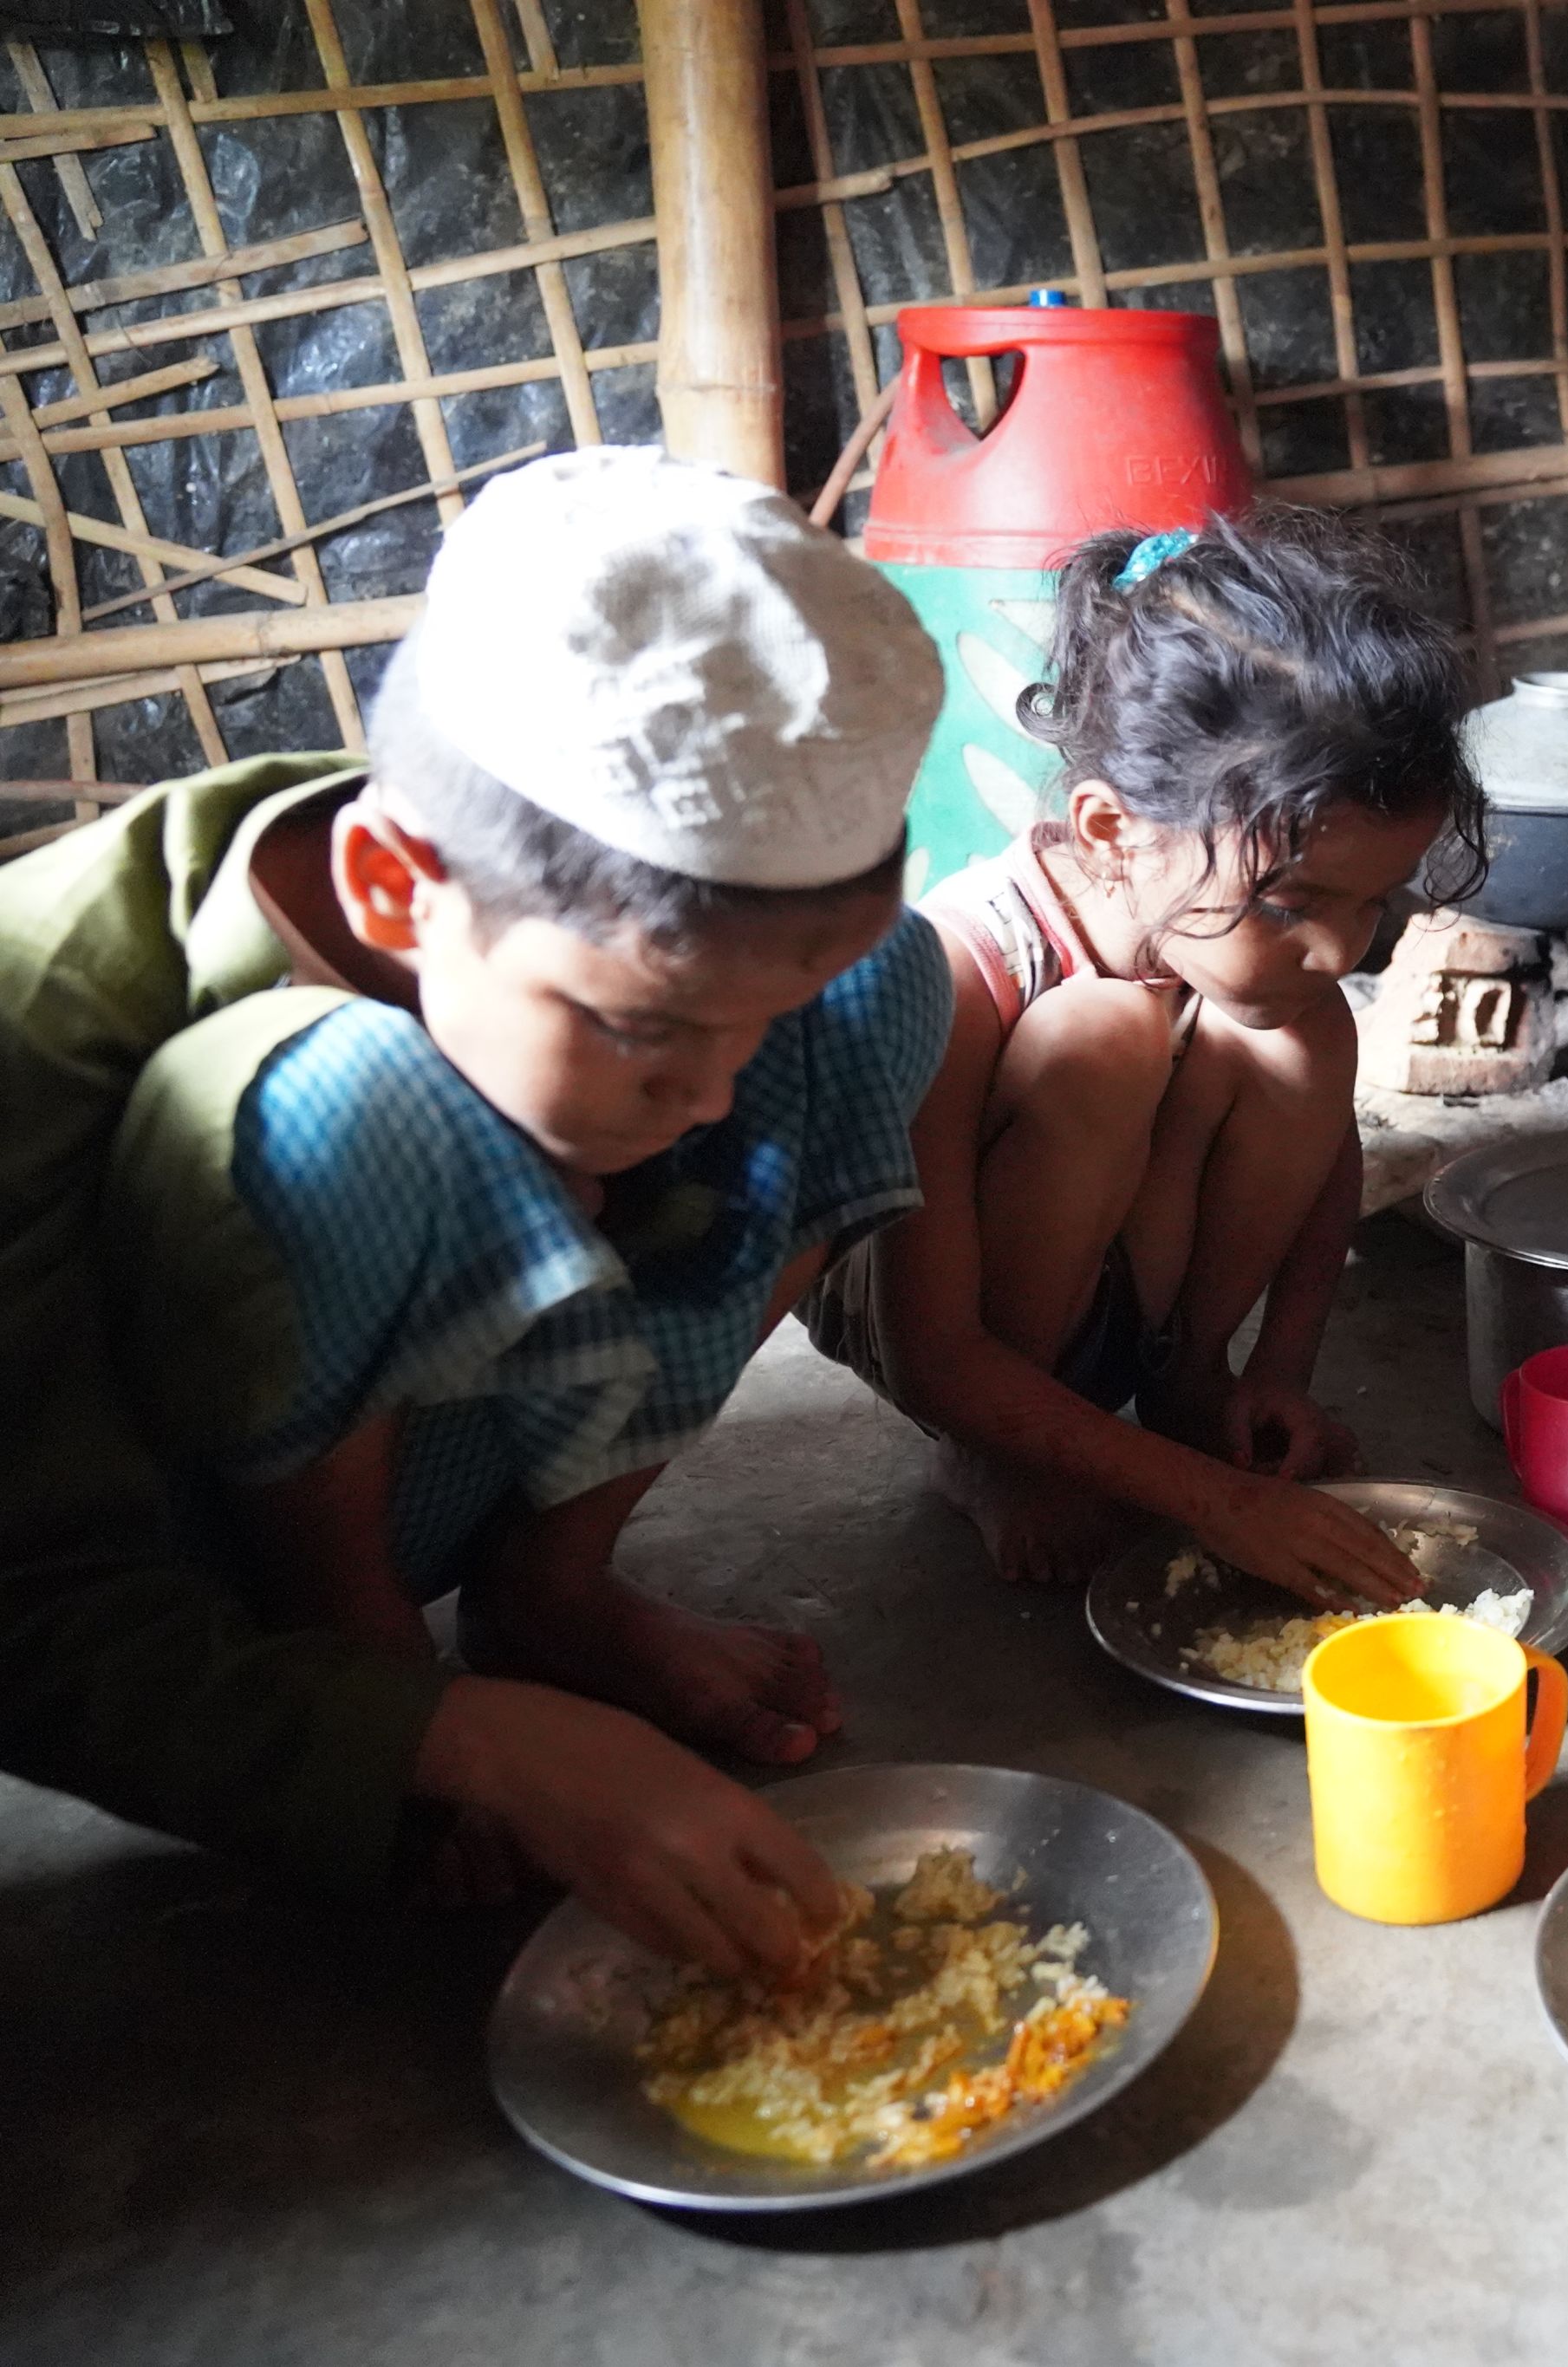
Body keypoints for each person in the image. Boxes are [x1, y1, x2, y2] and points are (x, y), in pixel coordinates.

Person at [5, 448, 952, 1980]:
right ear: (394, 886)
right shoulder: (29, 1019)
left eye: (733, 1036)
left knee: (884, 983)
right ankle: (360, 1659)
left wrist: (672, 1064)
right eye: (646, 1032)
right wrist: (462, 1741)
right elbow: (29, 1620)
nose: (711, 1101)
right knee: (348, 1100)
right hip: (176, 1560)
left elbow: (732, 1049)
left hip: (459, 1442)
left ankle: (549, 1594)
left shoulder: (539, 944)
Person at [801, 508, 1480, 1599]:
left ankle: (1188, 1386)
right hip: (938, 1323)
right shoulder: (958, 970)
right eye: (1294, 903)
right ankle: (997, 1456)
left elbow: (1327, 1159)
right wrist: (1220, 1504)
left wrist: (1278, 1370)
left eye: (1373, 906)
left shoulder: (1262, 956)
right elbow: (932, 1346)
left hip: (1114, 1277)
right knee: (1102, 1038)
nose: (1337, 946)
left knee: (1307, 1035)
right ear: (1113, 830)